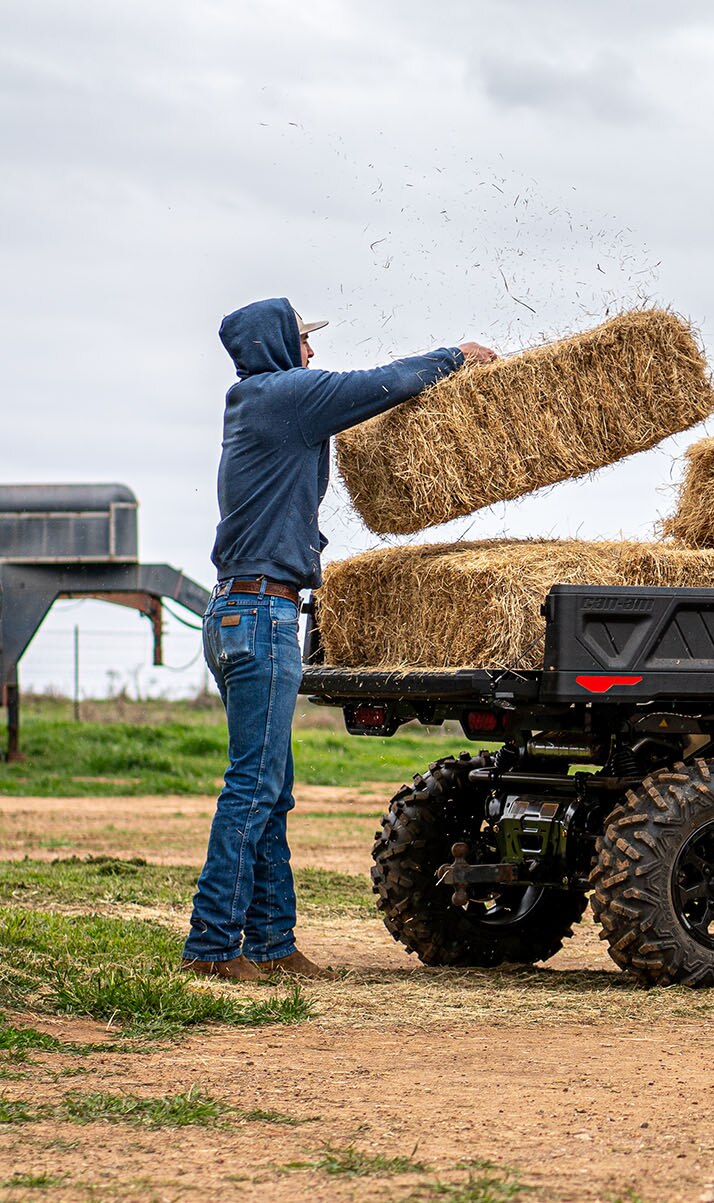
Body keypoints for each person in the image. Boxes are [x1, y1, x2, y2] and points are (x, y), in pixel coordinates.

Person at [183, 298, 497, 980]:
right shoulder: (283, 397)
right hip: (260, 616)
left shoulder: (258, 403)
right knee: (252, 789)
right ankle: (211, 948)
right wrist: (455, 357)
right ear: (276, 345)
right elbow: (381, 384)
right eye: (302, 338)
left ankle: (272, 945)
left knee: (269, 790)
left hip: (243, 612)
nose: (312, 351)